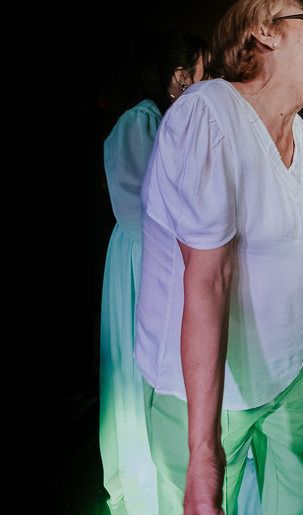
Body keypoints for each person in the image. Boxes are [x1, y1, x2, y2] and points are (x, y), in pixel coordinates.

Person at [135, 0, 303, 515]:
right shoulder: (208, 117)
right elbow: (209, 278)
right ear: (265, 32)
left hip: (294, 368)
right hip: (211, 395)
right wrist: (203, 453)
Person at [100, 30, 209, 515]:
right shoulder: (138, 121)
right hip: (142, 255)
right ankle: (142, 475)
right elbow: (143, 202)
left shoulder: (164, 120)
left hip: (159, 252)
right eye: (203, 76)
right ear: (180, 77)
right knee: (137, 361)